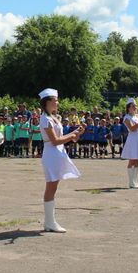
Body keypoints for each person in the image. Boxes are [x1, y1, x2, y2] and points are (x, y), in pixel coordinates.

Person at [38, 88, 83, 233]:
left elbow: (62, 139)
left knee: (53, 187)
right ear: (48, 102)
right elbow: (55, 140)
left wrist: (75, 134)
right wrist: (72, 135)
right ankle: (50, 222)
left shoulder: (53, 117)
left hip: (57, 153)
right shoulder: (45, 119)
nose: (57, 102)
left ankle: (50, 221)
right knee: (51, 187)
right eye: (55, 100)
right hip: (51, 153)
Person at [122, 98, 138, 188]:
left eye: (135, 106)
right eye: (133, 106)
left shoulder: (137, 116)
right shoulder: (126, 117)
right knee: (132, 160)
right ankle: (131, 182)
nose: (135, 107)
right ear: (128, 107)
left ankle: (135, 181)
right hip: (132, 139)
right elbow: (132, 129)